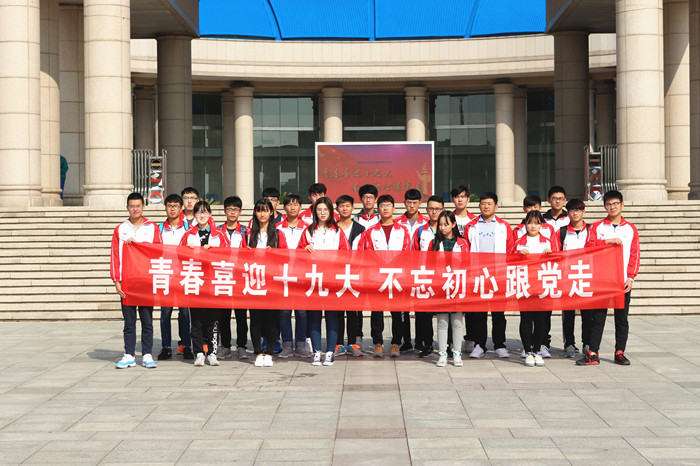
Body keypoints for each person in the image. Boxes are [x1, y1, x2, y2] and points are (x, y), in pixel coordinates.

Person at [578, 190, 639, 366]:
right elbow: (588, 247)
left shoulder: (630, 229)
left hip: (622, 281)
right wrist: (607, 241)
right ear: (604, 206)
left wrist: (630, 277)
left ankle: (619, 352)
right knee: (597, 317)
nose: (612, 207)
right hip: (602, 280)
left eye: (615, 204)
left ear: (622, 204)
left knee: (621, 318)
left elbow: (634, 254)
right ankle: (593, 353)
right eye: (609, 204)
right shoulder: (597, 227)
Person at [110, 192, 163, 369]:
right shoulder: (120, 229)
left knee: (147, 320)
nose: (135, 209)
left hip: (146, 281)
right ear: (127, 208)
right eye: (132, 206)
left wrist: (139, 245)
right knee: (129, 322)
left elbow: (159, 251)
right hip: (127, 282)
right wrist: (116, 281)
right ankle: (129, 355)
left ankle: (147, 354)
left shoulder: (152, 227)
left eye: (138, 206)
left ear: (143, 207)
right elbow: (115, 256)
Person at [298, 197, 350, 366]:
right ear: (315, 212)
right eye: (319, 210)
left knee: (331, 315)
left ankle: (329, 352)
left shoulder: (337, 231)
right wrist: (304, 250)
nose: (322, 213)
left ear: (331, 212)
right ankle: (316, 352)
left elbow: (346, 254)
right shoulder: (308, 231)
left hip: (332, 279)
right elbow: (298, 253)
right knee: (314, 316)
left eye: (325, 210)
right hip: (314, 279)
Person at [464, 192, 514, 359]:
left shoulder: (503, 226)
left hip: (498, 274)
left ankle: (499, 345)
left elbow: (510, 249)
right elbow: (466, 248)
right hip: (478, 274)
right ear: (479, 206)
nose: (486, 206)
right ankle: (480, 345)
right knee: (479, 312)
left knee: (498, 313)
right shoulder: (471, 226)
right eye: (483, 203)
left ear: (496, 206)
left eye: (489, 203)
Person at [180, 201, 230, 367]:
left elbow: (227, 254)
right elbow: (179, 256)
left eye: (205, 212)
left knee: (213, 321)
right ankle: (199, 353)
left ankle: (213, 353)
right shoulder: (188, 234)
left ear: (210, 214)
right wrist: (187, 250)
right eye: (199, 212)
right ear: (194, 215)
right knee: (196, 321)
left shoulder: (219, 234)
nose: (202, 215)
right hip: (195, 281)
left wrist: (214, 251)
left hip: (213, 282)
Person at [362, 194, 412, 358]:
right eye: (382, 206)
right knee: (377, 312)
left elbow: (406, 251)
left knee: (398, 312)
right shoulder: (371, 231)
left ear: (394, 209)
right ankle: (378, 344)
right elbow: (369, 252)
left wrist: (393, 265)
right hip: (378, 277)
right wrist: (382, 266)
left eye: (388, 205)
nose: (385, 208)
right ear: (378, 209)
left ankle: (396, 344)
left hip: (398, 278)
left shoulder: (402, 230)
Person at [512, 194, 556, 358]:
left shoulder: (547, 242)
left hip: (542, 284)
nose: (533, 226)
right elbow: (510, 260)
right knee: (526, 318)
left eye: (536, 223)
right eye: (530, 223)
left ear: (541, 225)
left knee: (540, 320)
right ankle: (527, 349)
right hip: (525, 283)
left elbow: (557, 260)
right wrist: (519, 254)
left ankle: (537, 349)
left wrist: (550, 255)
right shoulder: (519, 242)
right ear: (525, 224)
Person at [247, 199, 288, 367]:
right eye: (259, 210)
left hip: (272, 282)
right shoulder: (248, 234)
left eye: (265, 210)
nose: (262, 214)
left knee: (272, 319)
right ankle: (258, 353)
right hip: (254, 281)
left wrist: (275, 253)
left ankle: (269, 352)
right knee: (255, 319)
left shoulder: (278, 234)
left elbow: (286, 257)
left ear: (272, 212)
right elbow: (240, 258)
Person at [430, 211, 469, 367]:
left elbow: (467, 263)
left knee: (457, 321)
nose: (442, 228)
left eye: (446, 224)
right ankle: (442, 353)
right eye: (440, 225)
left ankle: (457, 352)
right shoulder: (434, 242)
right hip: (441, 286)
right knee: (442, 322)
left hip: (457, 285)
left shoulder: (462, 243)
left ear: (453, 224)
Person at [157, 194, 193, 361]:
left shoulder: (188, 228)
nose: (172, 209)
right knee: (165, 312)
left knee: (185, 313)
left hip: (183, 275)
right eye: (169, 206)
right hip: (165, 274)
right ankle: (166, 347)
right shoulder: (158, 229)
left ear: (181, 209)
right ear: (165, 207)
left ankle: (186, 345)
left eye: (176, 206)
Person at [393, 188, 427, 352]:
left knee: (420, 308)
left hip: (421, 270)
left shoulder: (426, 222)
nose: (412, 206)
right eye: (409, 203)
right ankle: (405, 341)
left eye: (415, 203)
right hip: (402, 271)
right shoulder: (397, 223)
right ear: (404, 203)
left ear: (420, 203)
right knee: (403, 308)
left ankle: (420, 340)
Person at [277, 194, 311, 358]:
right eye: (289, 205)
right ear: (284, 208)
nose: (292, 207)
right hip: (282, 275)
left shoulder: (308, 228)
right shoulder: (277, 228)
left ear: (300, 207)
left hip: (302, 275)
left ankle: (301, 344)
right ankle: (287, 345)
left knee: (302, 312)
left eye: (295, 204)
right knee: (284, 312)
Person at [557, 198, 590, 358]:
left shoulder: (591, 230)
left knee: (587, 314)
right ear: (568, 213)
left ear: (583, 212)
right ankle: (569, 343)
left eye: (578, 210)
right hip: (568, 278)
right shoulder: (562, 232)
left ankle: (587, 343)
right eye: (572, 210)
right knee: (568, 314)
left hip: (587, 277)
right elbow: (556, 254)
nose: (575, 213)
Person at [412, 195, 444, 357]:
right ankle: (427, 344)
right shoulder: (420, 230)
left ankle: (447, 345)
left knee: (445, 313)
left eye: (437, 209)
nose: (434, 212)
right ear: (426, 210)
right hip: (425, 276)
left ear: (443, 210)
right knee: (424, 314)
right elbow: (414, 253)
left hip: (444, 278)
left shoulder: (448, 230)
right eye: (431, 208)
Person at [334, 194, 366, 357]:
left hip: (355, 273)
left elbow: (364, 252)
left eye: (347, 205)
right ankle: (338, 343)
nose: (344, 209)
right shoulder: (332, 228)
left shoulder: (361, 229)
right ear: (337, 209)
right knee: (338, 310)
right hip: (336, 273)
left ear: (353, 208)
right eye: (341, 206)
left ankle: (353, 343)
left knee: (353, 311)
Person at [218, 196, 247, 360]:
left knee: (241, 315)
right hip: (223, 277)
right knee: (224, 315)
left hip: (240, 278)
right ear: (224, 211)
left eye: (235, 209)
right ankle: (226, 346)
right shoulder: (217, 231)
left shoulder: (246, 231)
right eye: (229, 209)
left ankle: (242, 346)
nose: (232, 212)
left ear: (240, 212)